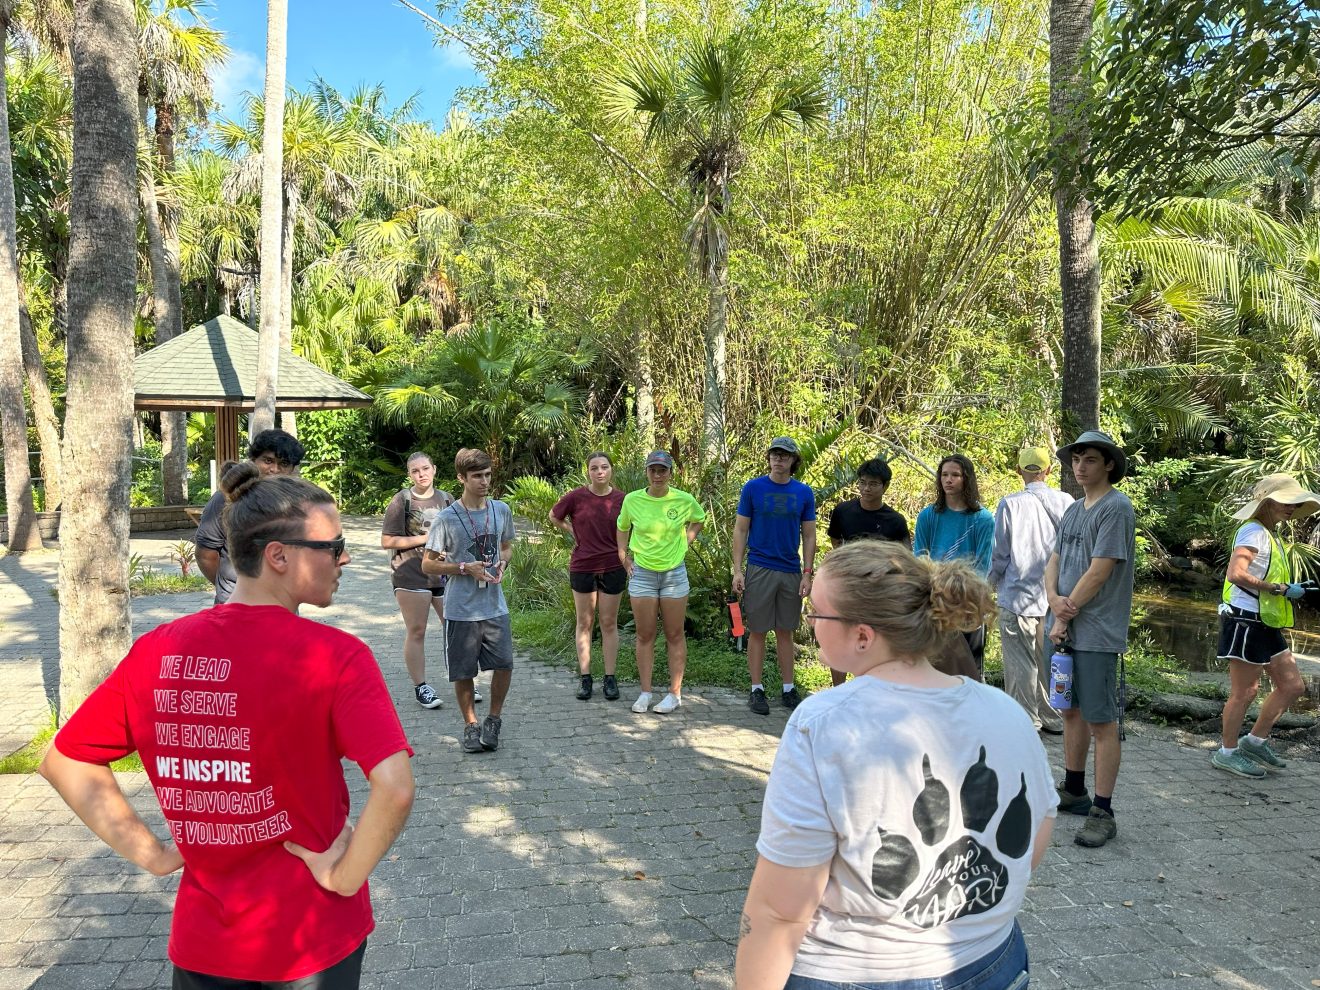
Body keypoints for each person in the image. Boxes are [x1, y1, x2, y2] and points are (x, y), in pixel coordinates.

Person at [40, 462, 415, 989]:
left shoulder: (158, 651)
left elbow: (65, 759)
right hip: (310, 937)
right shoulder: (336, 657)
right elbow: (395, 789)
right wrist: (343, 875)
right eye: (333, 545)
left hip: (203, 944)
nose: (345, 556)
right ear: (278, 556)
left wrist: (152, 855)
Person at [735, 540, 1056, 990]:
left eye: (817, 614)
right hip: (993, 960)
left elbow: (780, 911)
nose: (809, 624)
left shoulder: (823, 723)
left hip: (859, 973)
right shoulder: (1006, 712)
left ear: (863, 635)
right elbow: (1038, 834)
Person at [1045, 430, 1135, 849]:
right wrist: (1052, 600)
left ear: (1109, 465)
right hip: (1063, 624)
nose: (1080, 467)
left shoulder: (1116, 508)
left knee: (1102, 721)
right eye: (1076, 459)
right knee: (1069, 711)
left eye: (1090, 460)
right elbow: (1055, 559)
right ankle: (1075, 790)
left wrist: (1065, 611)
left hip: (1096, 632)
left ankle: (1104, 810)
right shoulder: (1074, 509)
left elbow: (1101, 570)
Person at [1210, 473, 1316, 778]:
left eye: (1295, 503)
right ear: (1266, 502)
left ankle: (1254, 741)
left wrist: (1287, 586)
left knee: (1292, 685)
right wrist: (1278, 589)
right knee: (1244, 692)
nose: (1292, 507)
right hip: (1245, 621)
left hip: (1265, 622)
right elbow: (1235, 573)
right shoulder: (1253, 533)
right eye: (1285, 501)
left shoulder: (1269, 535)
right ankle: (1227, 752)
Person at [422, 448, 515, 755]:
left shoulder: (501, 510)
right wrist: (463, 567)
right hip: (460, 609)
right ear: (461, 478)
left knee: (504, 664)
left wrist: (502, 564)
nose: (484, 481)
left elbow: (506, 547)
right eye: (477, 476)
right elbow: (428, 564)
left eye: (488, 475)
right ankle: (471, 725)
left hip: (494, 606)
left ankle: (494, 719)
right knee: (463, 671)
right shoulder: (447, 519)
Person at [381, 451, 479, 711]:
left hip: (444, 573)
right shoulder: (402, 500)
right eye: (415, 471)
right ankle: (421, 687)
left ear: (434, 469)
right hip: (410, 572)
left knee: (455, 627)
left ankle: (464, 680)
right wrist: (426, 539)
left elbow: (457, 533)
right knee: (417, 630)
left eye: (425, 468)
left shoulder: (446, 498)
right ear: (409, 475)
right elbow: (387, 541)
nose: (421, 474)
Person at [988, 447, 1074, 735]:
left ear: (1018, 470)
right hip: (1054, 597)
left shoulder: (1009, 504)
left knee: (1020, 663)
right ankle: (1053, 718)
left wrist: (987, 584)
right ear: (1049, 471)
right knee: (1047, 658)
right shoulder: (1066, 501)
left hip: (1016, 595)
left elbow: (999, 554)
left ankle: (1025, 720)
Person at [616, 451, 706, 715]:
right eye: (653, 470)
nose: (657, 475)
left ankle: (674, 694)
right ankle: (645, 693)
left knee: (675, 634)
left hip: (673, 575)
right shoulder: (632, 500)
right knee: (644, 634)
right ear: (647, 472)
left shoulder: (683, 499)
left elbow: (698, 519)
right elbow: (622, 527)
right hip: (642, 573)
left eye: (662, 470)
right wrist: (623, 556)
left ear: (670, 473)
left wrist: (686, 542)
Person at [732, 437, 817, 715]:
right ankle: (756, 690)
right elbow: (741, 530)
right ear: (768, 458)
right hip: (759, 566)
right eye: (774, 454)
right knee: (757, 630)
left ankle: (788, 688)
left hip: (791, 569)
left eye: (785, 455)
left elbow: (809, 534)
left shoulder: (803, 493)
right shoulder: (753, 488)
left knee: (785, 631)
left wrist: (807, 573)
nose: (779, 459)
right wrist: (737, 570)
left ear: (794, 460)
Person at [825, 456, 910, 686]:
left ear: (885, 486)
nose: (866, 488)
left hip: (878, 593)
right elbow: (836, 540)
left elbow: (904, 557)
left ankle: (865, 691)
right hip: (848, 587)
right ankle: (838, 692)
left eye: (873, 484)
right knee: (841, 640)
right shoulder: (843, 511)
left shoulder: (895, 521)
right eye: (862, 482)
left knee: (870, 643)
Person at [550, 452, 627, 702]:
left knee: (608, 623)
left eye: (604, 467)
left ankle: (610, 678)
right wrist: (572, 529)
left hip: (613, 566)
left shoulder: (622, 499)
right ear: (588, 472)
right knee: (585, 623)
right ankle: (585, 678)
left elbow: (633, 527)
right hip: (583, 566)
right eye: (594, 468)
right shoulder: (577, 497)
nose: (600, 471)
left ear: (611, 470)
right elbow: (554, 515)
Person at [196, 429, 304, 605]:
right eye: (268, 461)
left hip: (281, 604)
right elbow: (206, 556)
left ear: (292, 469)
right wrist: (232, 589)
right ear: (254, 460)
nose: (274, 469)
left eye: (283, 463)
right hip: (234, 604)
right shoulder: (226, 499)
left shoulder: (297, 502)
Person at [913, 453, 995, 669]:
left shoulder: (983, 518)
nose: (949, 480)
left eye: (955, 475)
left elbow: (983, 565)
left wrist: (963, 595)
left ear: (966, 479)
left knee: (969, 667)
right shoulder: (928, 516)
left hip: (969, 602)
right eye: (945, 475)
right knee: (934, 664)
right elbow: (920, 558)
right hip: (935, 600)